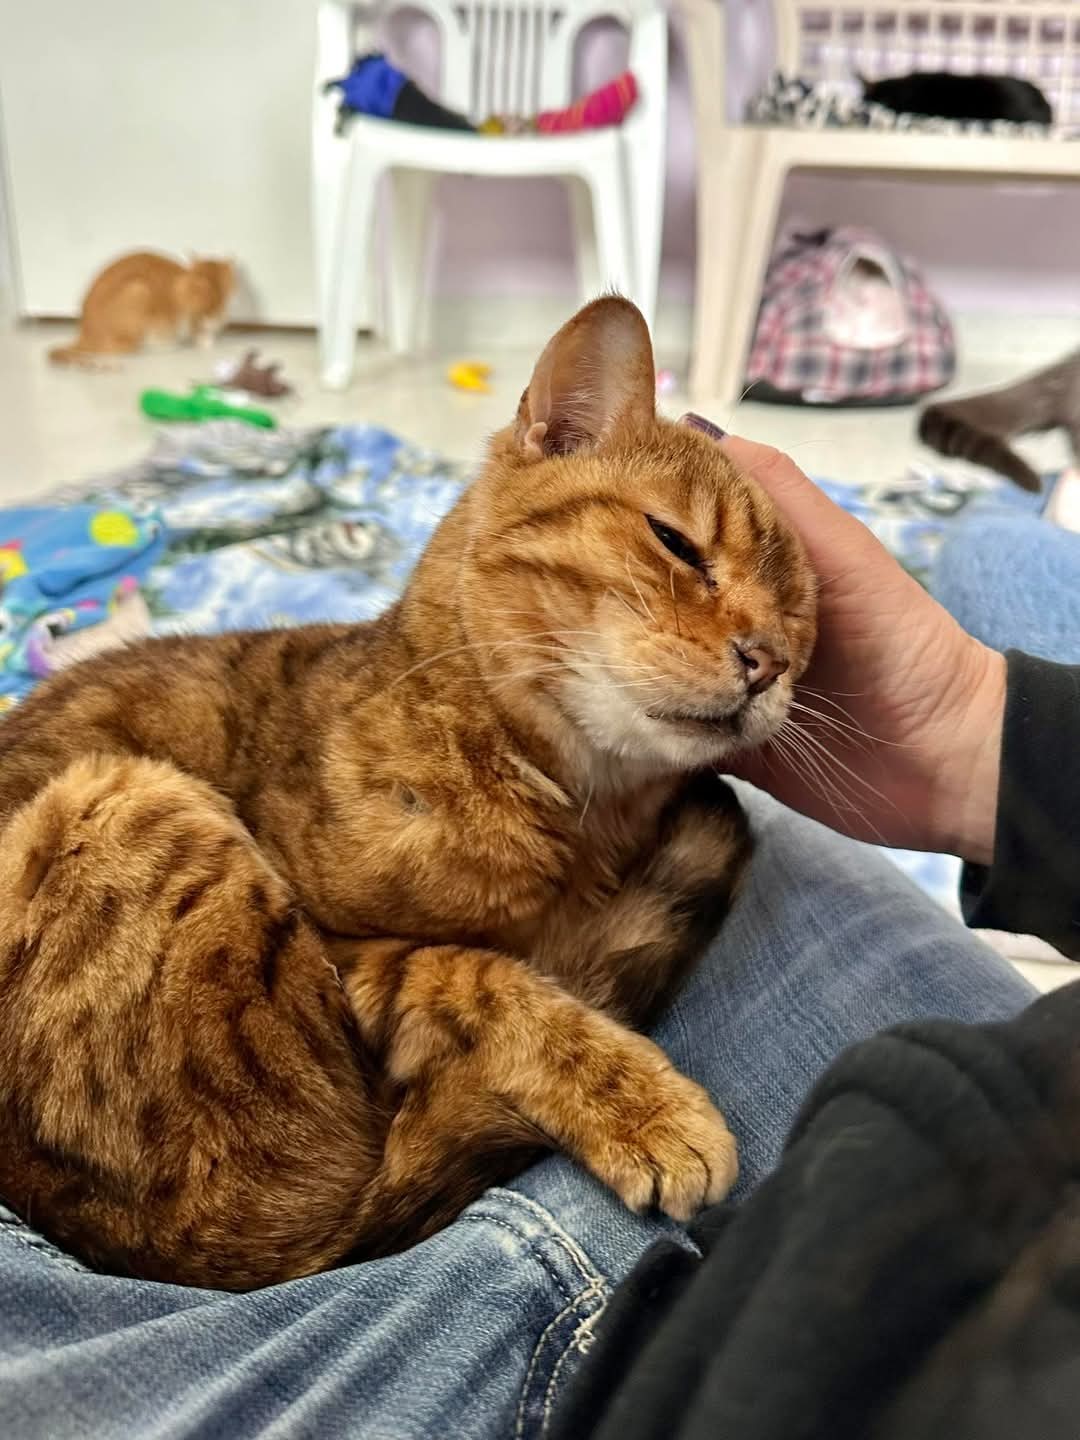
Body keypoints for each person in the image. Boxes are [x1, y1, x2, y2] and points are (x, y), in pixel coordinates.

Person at [1, 431, 1075, 1440]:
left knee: (732, 829)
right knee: (114, 827)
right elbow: (325, 970)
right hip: (155, 1124)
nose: (757, 647)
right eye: (678, 549)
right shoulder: (391, 779)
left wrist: (962, 730)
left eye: (789, 632)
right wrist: (538, 1037)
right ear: (550, 438)